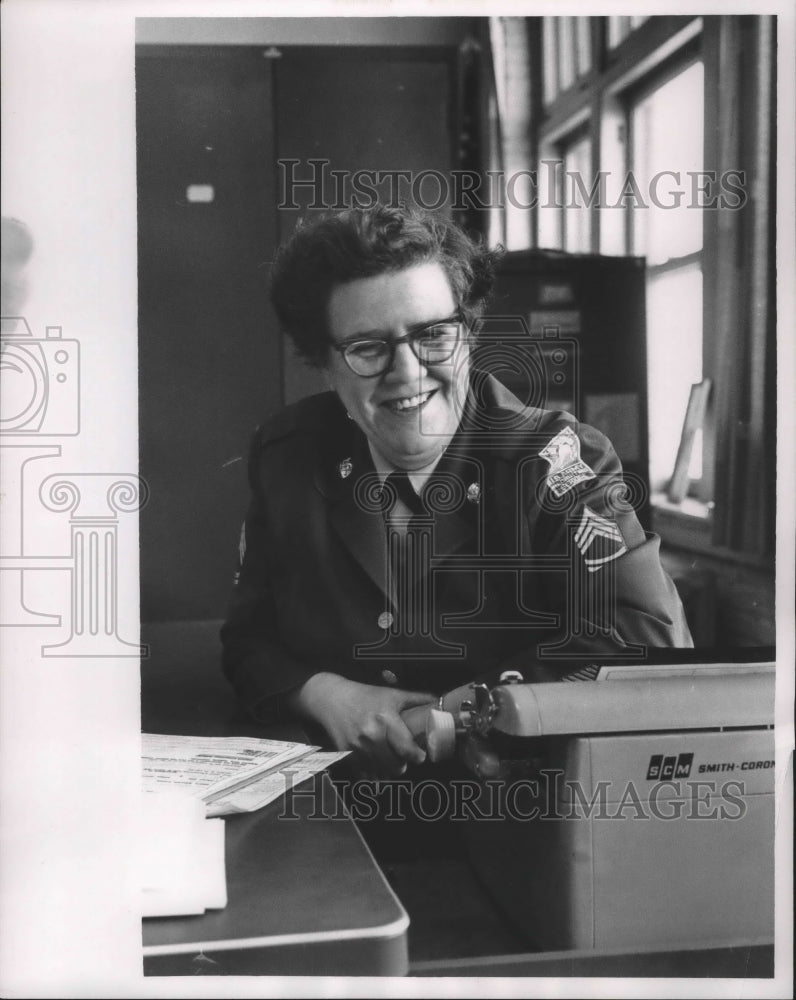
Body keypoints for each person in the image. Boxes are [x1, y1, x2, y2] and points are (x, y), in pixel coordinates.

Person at [221, 204, 692, 777]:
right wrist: (325, 695)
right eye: (367, 348)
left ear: (467, 334)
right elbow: (249, 640)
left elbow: (647, 638)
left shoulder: (556, 461)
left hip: (516, 804)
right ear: (325, 363)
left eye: (433, 335)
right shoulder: (288, 456)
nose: (407, 371)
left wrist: (457, 711)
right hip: (339, 799)